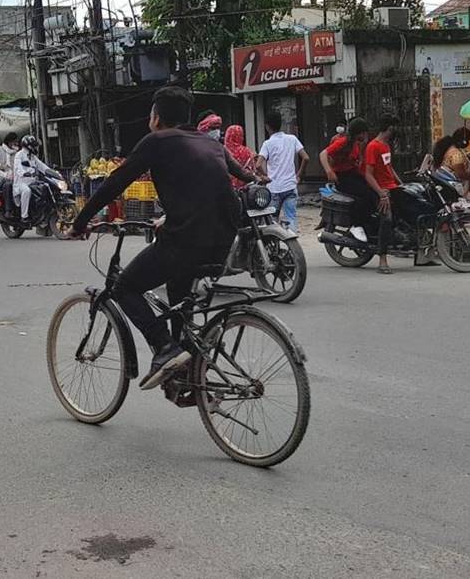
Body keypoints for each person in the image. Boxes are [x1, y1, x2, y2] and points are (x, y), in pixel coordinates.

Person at [71, 86, 257, 389]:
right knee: (179, 299)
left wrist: (80, 222)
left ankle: (165, 348)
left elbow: (115, 183)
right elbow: (215, 184)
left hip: (186, 241)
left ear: (156, 117)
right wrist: (169, 218)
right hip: (223, 242)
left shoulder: (156, 141)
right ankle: (187, 376)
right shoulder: (210, 144)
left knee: (125, 287)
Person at [320, 117, 374, 242]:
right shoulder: (343, 142)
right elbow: (323, 154)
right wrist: (329, 171)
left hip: (352, 173)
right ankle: (356, 225)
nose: (366, 135)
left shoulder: (357, 144)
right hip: (342, 177)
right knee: (364, 195)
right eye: (364, 133)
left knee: (374, 191)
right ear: (359, 133)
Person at [254, 110, 308, 232]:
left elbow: (258, 165)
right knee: (291, 218)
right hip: (290, 185)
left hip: (274, 188)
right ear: (280, 124)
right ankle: (292, 247)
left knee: (272, 221)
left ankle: (275, 247)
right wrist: (299, 175)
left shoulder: (267, 144)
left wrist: (265, 176)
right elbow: (306, 157)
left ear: (267, 126)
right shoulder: (292, 139)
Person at [365, 115, 406, 274]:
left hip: (392, 187)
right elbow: (368, 174)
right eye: (394, 128)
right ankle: (382, 260)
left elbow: (389, 167)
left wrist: (401, 183)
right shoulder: (373, 146)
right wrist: (382, 194)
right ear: (389, 128)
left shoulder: (386, 146)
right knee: (386, 220)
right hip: (380, 190)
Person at [12, 135, 60, 223]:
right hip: (21, 183)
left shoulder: (33, 157)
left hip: (33, 182)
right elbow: (18, 168)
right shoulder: (19, 155)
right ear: (28, 146)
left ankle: (40, 211)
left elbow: (42, 166)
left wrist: (55, 174)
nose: (35, 147)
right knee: (27, 191)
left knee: (45, 187)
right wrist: (25, 173)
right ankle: (24, 216)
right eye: (34, 145)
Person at [431, 126, 470, 190]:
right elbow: (461, 174)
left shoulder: (451, 148)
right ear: (464, 141)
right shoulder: (456, 154)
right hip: (457, 188)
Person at [223, 125, 255, 189]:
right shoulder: (247, 151)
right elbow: (252, 170)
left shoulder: (221, 150)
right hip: (244, 189)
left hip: (226, 187)